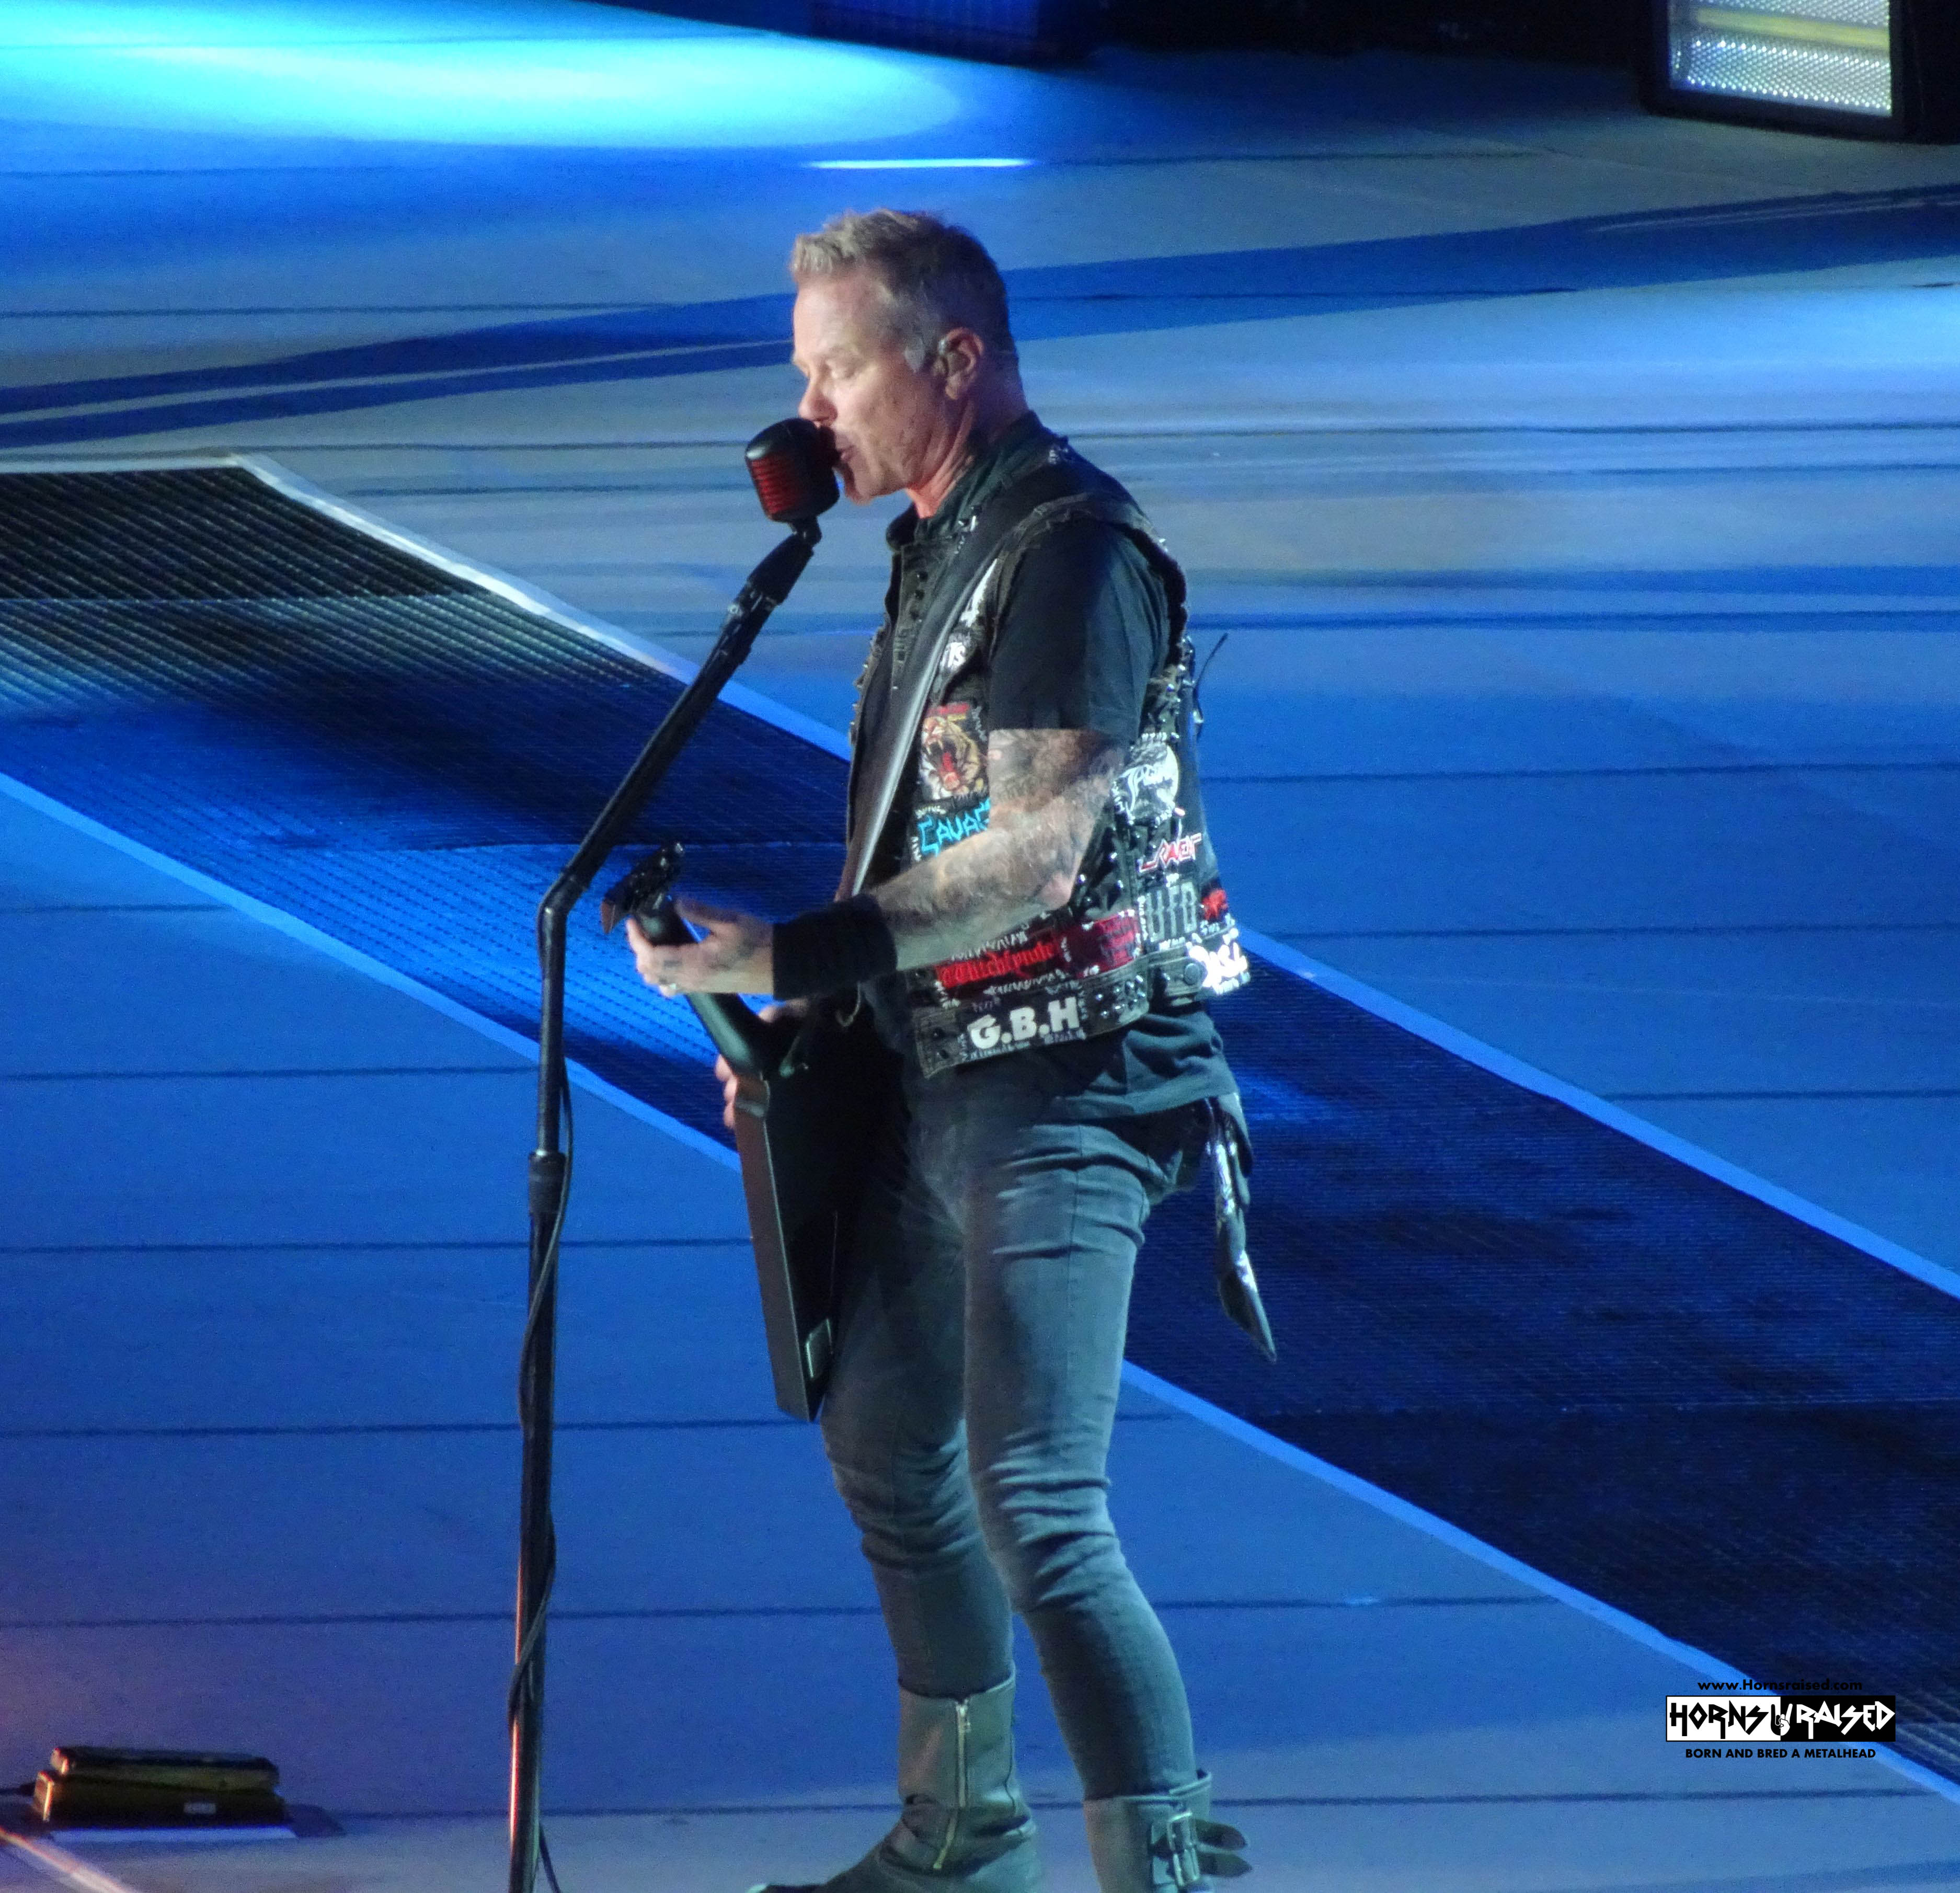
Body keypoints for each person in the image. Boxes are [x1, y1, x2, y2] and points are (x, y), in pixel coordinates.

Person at [625, 210, 1253, 1893]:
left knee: (1036, 1496)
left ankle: (1159, 1868)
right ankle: (963, 1834)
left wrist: (798, 951)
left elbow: (1038, 856)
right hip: (932, 1072)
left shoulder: (1070, 553)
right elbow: (925, 835)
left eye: (835, 371)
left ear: (952, 361)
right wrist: (807, 1022)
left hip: (1069, 1083)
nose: (808, 411)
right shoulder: (936, 542)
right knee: (888, 1448)